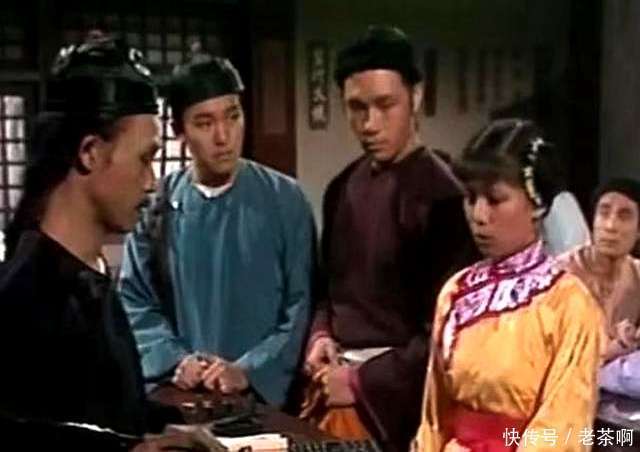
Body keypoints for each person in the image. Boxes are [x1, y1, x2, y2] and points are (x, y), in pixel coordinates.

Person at [0, 36, 207, 450]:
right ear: (90, 152)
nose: (152, 183)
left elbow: (107, 411)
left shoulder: (89, 276)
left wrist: (169, 427)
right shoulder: (24, 299)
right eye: (145, 159)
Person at [301, 26, 476, 452]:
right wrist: (321, 335)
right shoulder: (341, 187)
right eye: (356, 108)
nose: (370, 124)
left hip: (401, 397)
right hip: (335, 382)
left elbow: (445, 332)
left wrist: (360, 382)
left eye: (385, 105)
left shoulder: (446, 197)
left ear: (415, 95)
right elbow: (328, 290)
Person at [119, 51, 314, 408]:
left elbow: (301, 306)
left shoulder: (285, 199)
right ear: (179, 131)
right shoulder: (156, 205)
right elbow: (135, 300)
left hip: (263, 401)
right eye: (205, 123)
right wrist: (176, 360)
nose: (223, 136)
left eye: (233, 116)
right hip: (182, 397)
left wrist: (249, 370)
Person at [413, 119, 603, 452]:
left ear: (537, 204)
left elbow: (563, 429)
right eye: (471, 198)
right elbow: (434, 417)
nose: (479, 215)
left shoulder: (569, 303)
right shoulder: (457, 292)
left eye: (495, 200)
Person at [558, 178, 640, 397]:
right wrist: (614, 348)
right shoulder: (561, 275)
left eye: (624, 216)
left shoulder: (637, 274)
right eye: (603, 213)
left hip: (614, 398)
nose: (610, 226)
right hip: (564, 396)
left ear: (638, 231)